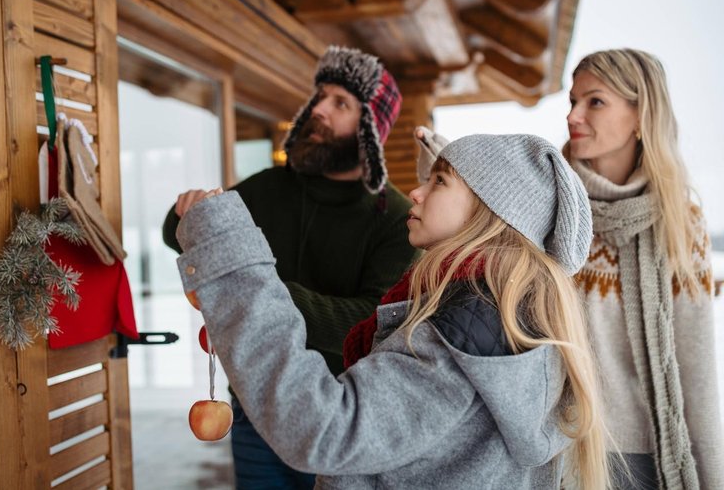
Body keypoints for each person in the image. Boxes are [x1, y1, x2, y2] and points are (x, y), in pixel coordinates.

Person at [173, 132, 611, 489]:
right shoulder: (509, 322)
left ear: (490, 213)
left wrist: (228, 257)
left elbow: (321, 427)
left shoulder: (457, 338)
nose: (417, 191)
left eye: (440, 181)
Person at [163, 46, 418, 488]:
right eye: (319, 96)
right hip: (253, 404)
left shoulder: (396, 218)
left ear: (371, 130)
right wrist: (191, 211)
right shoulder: (270, 187)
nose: (317, 108)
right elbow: (176, 230)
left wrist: (259, 291)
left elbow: (375, 321)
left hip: (339, 413)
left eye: (340, 103)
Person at [566, 48, 723, 489]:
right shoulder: (552, 206)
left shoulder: (679, 221)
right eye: (572, 101)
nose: (574, 115)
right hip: (559, 450)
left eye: (594, 101)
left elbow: (697, 366)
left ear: (640, 116)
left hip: (645, 456)